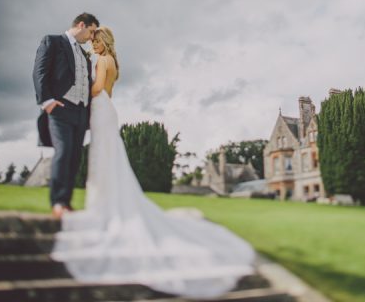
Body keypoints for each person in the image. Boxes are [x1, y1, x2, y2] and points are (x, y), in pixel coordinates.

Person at [51, 26, 255, 299]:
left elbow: (98, 88)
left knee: (103, 160)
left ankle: (105, 206)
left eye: (96, 41)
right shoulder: (112, 61)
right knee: (105, 160)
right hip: (106, 111)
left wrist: (76, 93)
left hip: (100, 109)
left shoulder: (102, 60)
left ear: (103, 42)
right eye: (92, 42)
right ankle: (104, 203)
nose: (93, 45)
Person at [32, 13, 99, 218]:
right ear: (81, 25)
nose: (92, 37)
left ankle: (67, 202)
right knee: (63, 151)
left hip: (80, 112)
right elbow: (39, 71)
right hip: (60, 108)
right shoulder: (53, 42)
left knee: (74, 156)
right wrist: (48, 101)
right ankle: (58, 202)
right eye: (91, 31)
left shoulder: (84, 54)